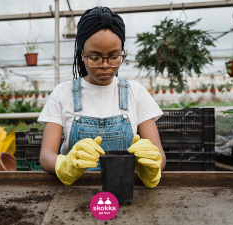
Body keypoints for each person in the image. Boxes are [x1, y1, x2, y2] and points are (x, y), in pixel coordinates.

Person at [38, 6, 166, 188]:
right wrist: (64, 164)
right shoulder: (62, 93)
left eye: (114, 57)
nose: (105, 65)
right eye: (95, 57)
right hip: (75, 193)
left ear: (123, 52)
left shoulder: (135, 92)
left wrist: (151, 165)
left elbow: (159, 155)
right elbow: (46, 155)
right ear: (81, 54)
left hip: (124, 190)